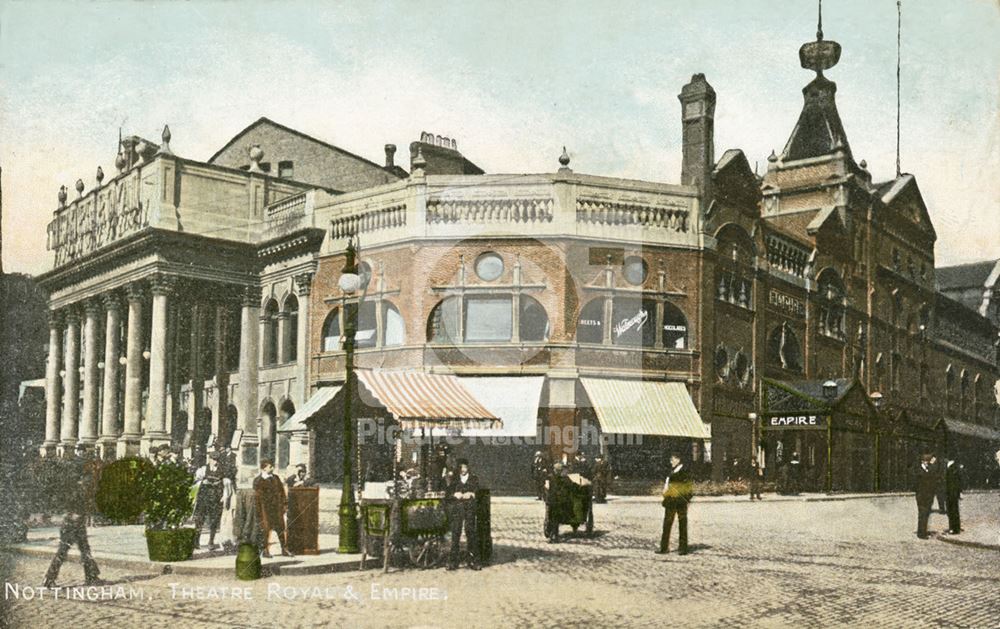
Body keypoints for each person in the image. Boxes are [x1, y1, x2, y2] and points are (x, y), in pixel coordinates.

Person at [44, 468, 101, 587]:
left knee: (85, 551)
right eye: (88, 477)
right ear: (83, 477)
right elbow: (67, 503)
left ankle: (91, 577)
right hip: (70, 526)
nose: (90, 480)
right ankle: (49, 579)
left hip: (78, 525)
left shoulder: (83, 489)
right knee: (63, 552)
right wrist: (71, 513)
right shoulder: (76, 490)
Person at [253, 459, 293, 558]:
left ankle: (284, 549)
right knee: (265, 530)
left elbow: (282, 492)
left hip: (277, 509)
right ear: (264, 468)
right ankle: (265, 550)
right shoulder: (258, 480)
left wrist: (284, 504)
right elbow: (257, 498)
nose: (272, 468)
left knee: (280, 528)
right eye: (270, 466)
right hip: (265, 510)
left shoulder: (275, 478)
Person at [446, 458, 480, 570]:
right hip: (457, 509)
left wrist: (471, 494)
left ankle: (473, 561)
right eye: (460, 468)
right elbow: (448, 494)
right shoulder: (454, 480)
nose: (463, 470)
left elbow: (478, 492)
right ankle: (453, 561)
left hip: (470, 509)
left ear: (468, 468)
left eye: (464, 467)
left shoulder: (474, 479)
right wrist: (455, 494)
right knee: (455, 533)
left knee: (470, 532)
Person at [658, 453, 692, 555]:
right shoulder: (672, 471)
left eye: (672, 459)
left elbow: (688, 487)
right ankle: (664, 548)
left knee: (682, 523)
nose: (671, 462)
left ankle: (683, 548)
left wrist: (686, 499)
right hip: (670, 501)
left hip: (680, 501)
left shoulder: (684, 471)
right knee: (667, 524)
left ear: (678, 460)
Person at [193, 453, 225, 550]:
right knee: (200, 519)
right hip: (203, 497)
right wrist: (202, 482)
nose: (215, 462)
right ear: (209, 459)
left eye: (217, 460)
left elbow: (225, 483)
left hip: (215, 498)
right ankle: (196, 541)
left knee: (214, 520)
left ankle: (211, 541)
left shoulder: (221, 470)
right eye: (213, 459)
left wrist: (219, 483)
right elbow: (195, 481)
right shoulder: (203, 469)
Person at [544, 462, 573, 542]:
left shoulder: (558, 478)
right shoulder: (557, 478)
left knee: (554, 518)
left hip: (556, 501)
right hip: (555, 500)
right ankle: (553, 535)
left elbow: (547, 488)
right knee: (553, 518)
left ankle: (553, 535)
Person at [914, 453, 937, 539]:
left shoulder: (929, 470)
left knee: (926, 514)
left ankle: (924, 531)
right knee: (922, 514)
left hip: (929, 496)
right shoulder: (918, 470)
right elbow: (915, 484)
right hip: (922, 496)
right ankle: (921, 533)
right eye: (927, 461)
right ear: (923, 461)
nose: (928, 463)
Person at [945, 458, 963, 535]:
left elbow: (958, 481)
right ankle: (955, 527)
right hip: (950, 492)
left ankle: (954, 528)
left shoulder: (953, 468)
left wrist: (960, 492)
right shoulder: (952, 467)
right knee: (952, 510)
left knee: (953, 510)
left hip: (952, 492)